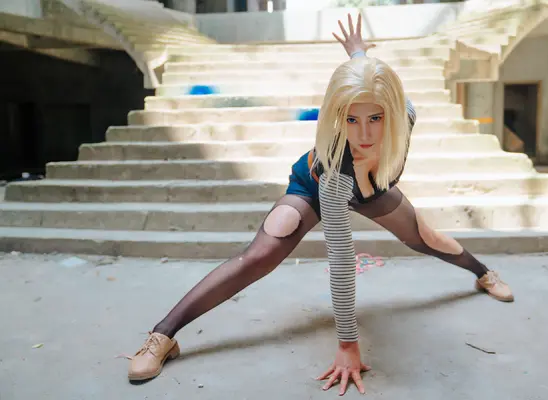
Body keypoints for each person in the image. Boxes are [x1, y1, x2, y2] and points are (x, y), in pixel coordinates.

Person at [127, 14, 514, 396]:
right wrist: (347, 344)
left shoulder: (406, 114)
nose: (364, 134)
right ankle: (163, 335)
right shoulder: (334, 175)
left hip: (374, 189)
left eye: (376, 118)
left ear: (393, 113)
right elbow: (342, 260)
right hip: (314, 185)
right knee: (261, 254)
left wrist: (358, 53)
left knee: (424, 238)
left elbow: (371, 82)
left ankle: (483, 274)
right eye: (350, 119)